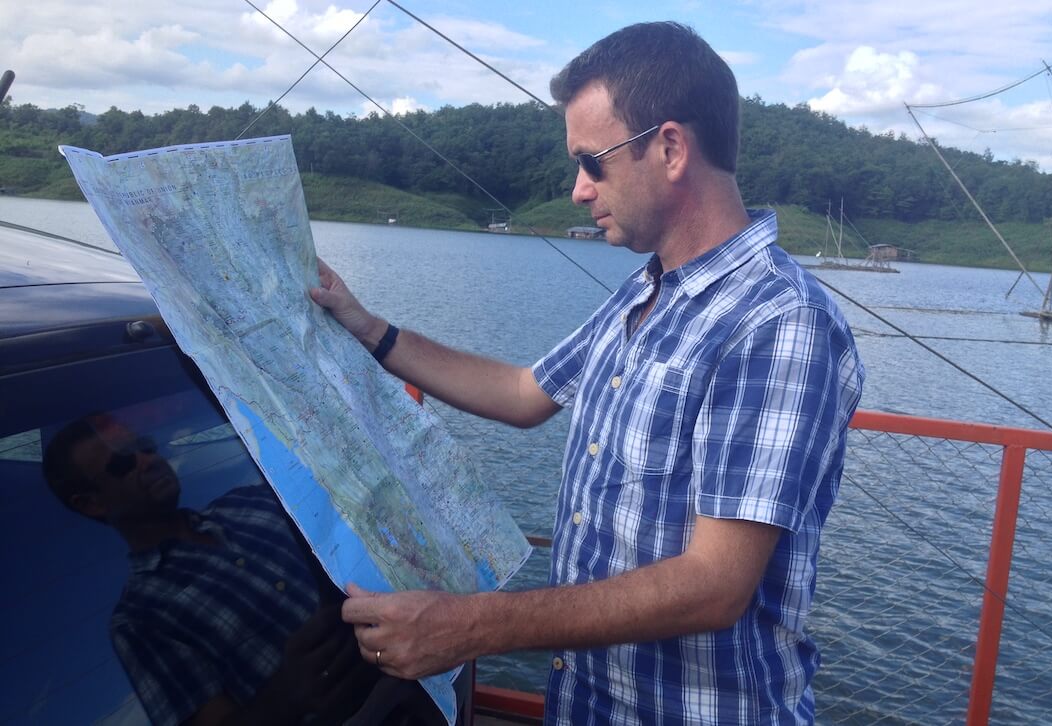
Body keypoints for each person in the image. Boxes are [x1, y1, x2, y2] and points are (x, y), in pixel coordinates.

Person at [312, 21, 864, 724]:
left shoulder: (780, 322)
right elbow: (523, 393)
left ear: (669, 148)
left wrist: (470, 625)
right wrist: (371, 330)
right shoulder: (646, 291)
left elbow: (714, 585)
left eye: (591, 162)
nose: (578, 190)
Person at [42, 413, 380, 726]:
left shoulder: (251, 502)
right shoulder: (140, 619)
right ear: (91, 503)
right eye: (122, 462)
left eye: (143, 446)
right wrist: (285, 698)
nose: (148, 460)